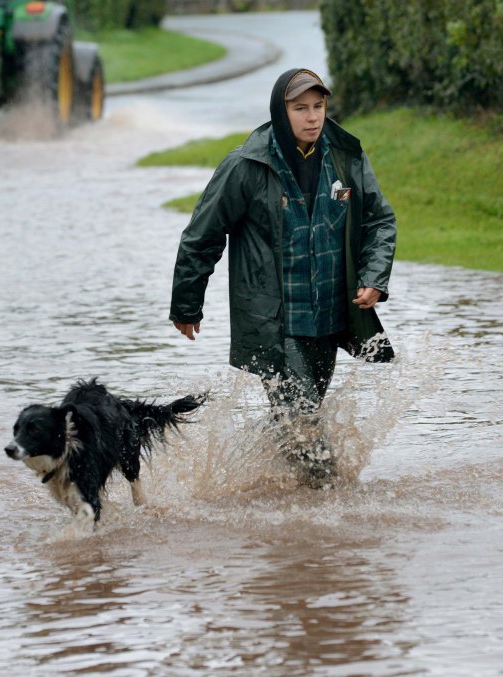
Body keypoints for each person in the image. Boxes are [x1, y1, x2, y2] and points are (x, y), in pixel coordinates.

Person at [169, 68, 397, 487]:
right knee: (306, 426)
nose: (312, 117)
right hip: (276, 324)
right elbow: (202, 235)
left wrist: (374, 276)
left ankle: (250, 485)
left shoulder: (345, 157)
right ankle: (331, 511)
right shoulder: (245, 166)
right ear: (280, 111)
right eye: (300, 108)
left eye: (318, 106)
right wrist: (187, 303)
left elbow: (380, 220)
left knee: (295, 421)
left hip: (330, 319)